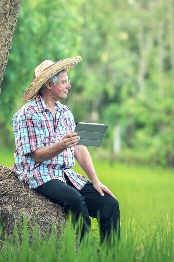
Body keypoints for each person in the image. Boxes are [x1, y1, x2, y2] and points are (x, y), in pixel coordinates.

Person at [12, 56, 120, 244]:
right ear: (48, 85)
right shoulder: (27, 114)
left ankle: (112, 255)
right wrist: (62, 145)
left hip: (64, 174)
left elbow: (79, 147)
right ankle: (88, 252)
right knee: (75, 200)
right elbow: (37, 156)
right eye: (63, 82)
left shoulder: (65, 113)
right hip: (38, 174)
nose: (68, 86)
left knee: (109, 204)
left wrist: (95, 181)